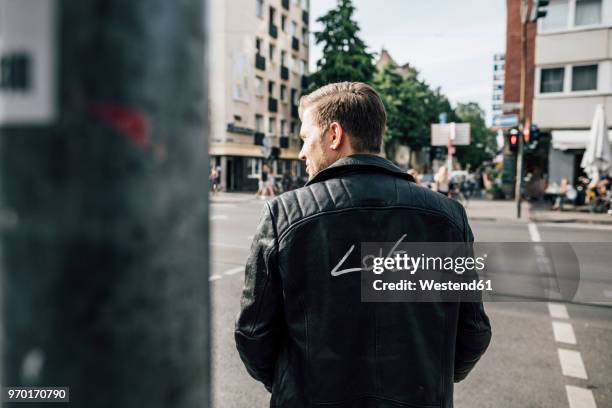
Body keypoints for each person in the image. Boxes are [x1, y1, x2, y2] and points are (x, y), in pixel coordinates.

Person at [235, 82, 491, 408]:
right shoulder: (447, 217)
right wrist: (426, 379)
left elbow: (253, 333)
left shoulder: (284, 215)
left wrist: (294, 384)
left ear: (334, 135)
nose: (301, 152)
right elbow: (474, 332)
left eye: (304, 138)